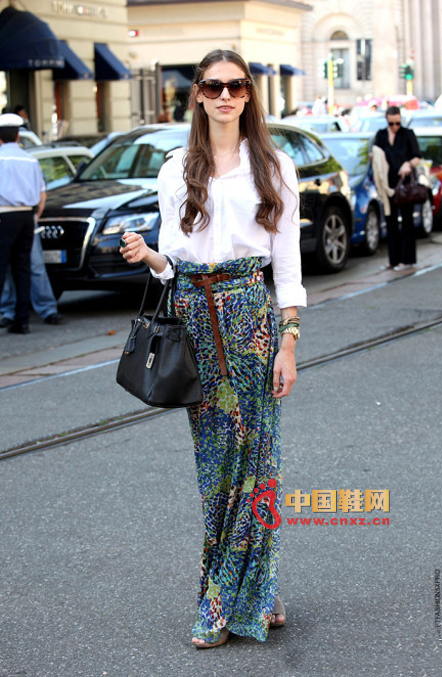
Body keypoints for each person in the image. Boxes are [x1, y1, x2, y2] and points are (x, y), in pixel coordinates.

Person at [120, 49, 307, 648]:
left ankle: (224, 601)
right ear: (197, 94)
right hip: (195, 320)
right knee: (218, 471)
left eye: (236, 86)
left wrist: (290, 339)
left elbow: (287, 260)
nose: (225, 95)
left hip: (251, 318)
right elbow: (172, 260)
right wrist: (147, 256)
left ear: (250, 94)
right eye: (212, 85)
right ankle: (256, 589)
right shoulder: (175, 169)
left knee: (259, 463)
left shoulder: (273, 166)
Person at [0, 113, 46, 334]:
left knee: (1, 268)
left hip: (4, 215)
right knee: (23, 269)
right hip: (27, 216)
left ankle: (8, 315)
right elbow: (40, 192)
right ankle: (22, 320)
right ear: (18, 136)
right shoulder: (31, 159)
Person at [373, 106, 422, 270]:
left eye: (398, 123)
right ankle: (393, 259)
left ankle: (407, 259)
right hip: (387, 185)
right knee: (390, 221)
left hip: (404, 185)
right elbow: (375, 153)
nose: (395, 126)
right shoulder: (381, 135)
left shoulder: (407, 134)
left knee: (407, 221)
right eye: (392, 123)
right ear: (387, 120)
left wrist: (408, 164)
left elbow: (417, 157)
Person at [0, 230, 63, 327]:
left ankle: (47, 309)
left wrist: (37, 216)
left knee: (36, 265)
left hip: (25, 220)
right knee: (7, 268)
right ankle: (8, 312)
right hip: (6, 221)